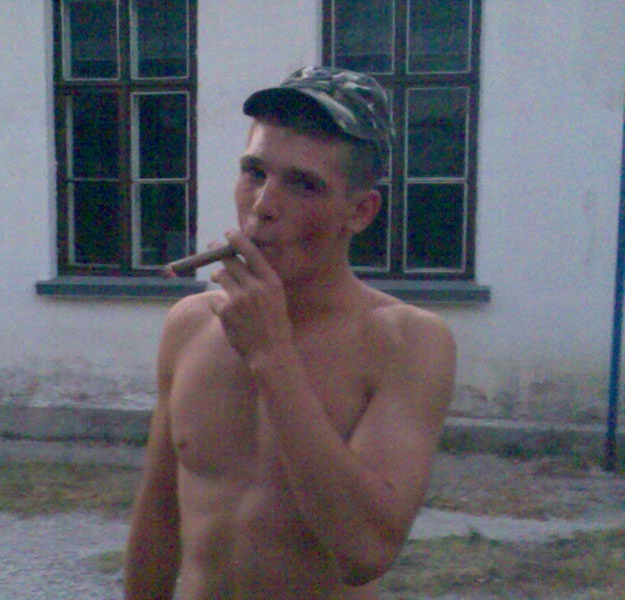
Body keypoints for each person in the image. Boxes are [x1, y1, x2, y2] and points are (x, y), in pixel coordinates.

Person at [124, 66, 456, 599]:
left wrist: (272, 354)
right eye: (254, 172)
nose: (263, 206)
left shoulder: (405, 343)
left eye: (303, 184)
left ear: (360, 211)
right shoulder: (190, 325)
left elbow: (365, 550)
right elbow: (159, 517)